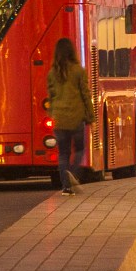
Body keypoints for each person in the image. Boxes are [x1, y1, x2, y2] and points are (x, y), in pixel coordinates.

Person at [44, 37, 95, 195]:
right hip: (76, 117)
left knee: (63, 153)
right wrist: (90, 115)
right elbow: (85, 95)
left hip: (59, 118)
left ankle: (66, 187)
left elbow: (51, 96)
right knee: (79, 150)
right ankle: (73, 173)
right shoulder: (78, 71)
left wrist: (52, 112)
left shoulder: (52, 73)